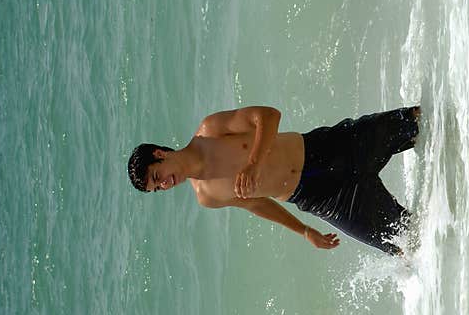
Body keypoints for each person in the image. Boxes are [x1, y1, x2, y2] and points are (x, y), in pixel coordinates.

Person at [127, 105, 421, 255]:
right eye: (158, 188)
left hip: (325, 150)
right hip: (320, 198)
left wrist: (253, 164)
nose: (165, 185)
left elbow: (268, 116)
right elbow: (256, 205)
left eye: (157, 176)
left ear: (160, 154)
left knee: (418, 122)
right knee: (405, 242)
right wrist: (304, 231)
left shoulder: (210, 131)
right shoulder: (207, 196)